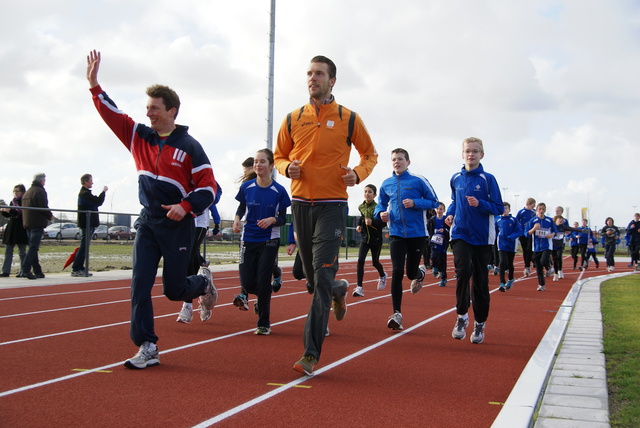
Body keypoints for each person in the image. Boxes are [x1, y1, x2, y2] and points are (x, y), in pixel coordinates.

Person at [86, 50, 218, 369]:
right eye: (147, 108)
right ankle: (147, 345)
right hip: (148, 223)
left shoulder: (189, 147)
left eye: (155, 109)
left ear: (171, 111)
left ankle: (203, 285)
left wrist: (186, 206)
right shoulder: (138, 137)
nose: (149, 114)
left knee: (174, 290)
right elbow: (114, 115)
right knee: (139, 284)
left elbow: (210, 188)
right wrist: (94, 85)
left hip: (178, 226)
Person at [274, 55, 378, 375]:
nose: (312, 78)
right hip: (301, 204)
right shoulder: (293, 118)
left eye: (319, 74)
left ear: (332, 81)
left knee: (319, 279)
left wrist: (358, 174)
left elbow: (370, 155)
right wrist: (284, 168)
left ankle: (311, 353)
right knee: (309, 277)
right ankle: (338, 290)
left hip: (333, 206)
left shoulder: (349, 118)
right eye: (309, 73)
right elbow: (279, 155)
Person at [445, 137, 503, 344]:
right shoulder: (456, 178)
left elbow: (498, 208)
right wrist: (449, 215)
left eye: (475, 151)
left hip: (482, 237)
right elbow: (454, 202)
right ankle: (461, 316)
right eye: (468, 151)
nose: (471, 154)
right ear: (462, 154)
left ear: (482, 155)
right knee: (462, 273)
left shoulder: (488, 179)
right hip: (460, 233)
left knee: (480, 281)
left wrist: (480, 204)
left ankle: (480, 323)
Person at [375, 148, 439, 331]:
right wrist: (381, 213)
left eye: (400, 159)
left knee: (410, 273)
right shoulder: (386, 183)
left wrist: (415, 203)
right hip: (395, 233)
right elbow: (380, 203)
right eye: (394, 159)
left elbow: (434, 202)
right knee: (396, 271)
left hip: (417, 233)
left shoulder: (418, 180)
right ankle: (397, 313)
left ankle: (419, 274)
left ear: (408, 162)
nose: (397, 162)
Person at [231, 149, 291, 335]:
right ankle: (261, 297)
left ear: (271, 165)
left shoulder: (279, 191)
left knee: (263, 281)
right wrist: (236, 219)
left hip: (269, 240)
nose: (258, 165)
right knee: (248, 283)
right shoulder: (247, 187)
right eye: (256, 161)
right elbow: (241, 207)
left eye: (262, 161)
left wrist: (272, 220)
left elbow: (283, 218)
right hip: (248, 238)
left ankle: (263, 322)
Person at [176, 182, 222, 324]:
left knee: (189, 257)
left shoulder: (203, 175)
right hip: (183, 221)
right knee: (188, 259)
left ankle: (187, 305)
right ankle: (204, 287)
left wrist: (217, 223)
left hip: (200, 222)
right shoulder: (179, 174)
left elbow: (216, 195)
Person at [353, 184, 388, 298]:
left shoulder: (378, 208)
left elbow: (383, 224)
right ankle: (359, 288)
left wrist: (372, 222)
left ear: (375, 195)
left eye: (369, 192)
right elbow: (362, 218)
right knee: (360, 261)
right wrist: (359, 226)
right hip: (364, 239)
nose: (367, 194)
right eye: (365, 191)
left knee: (375, 262)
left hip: (376, 239)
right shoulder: (361, 207)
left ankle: (382, 275)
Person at [71, 174, 107, 277]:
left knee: (85, 246)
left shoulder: (85, 193)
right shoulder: (84, 194)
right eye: (91, 180)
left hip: (89, 223)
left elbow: (95, 202)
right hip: (86, 223)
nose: (92, 182)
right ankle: (76, 268)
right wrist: (103, 192)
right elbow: (98, 201)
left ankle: (80, 267)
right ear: (85, 182)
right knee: (84, 246)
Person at [22, 173, 53, 280]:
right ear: (41, 181)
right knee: (33, 248)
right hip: (37, 222)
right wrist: (50, 215)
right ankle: (25, 269)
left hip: (28, 223)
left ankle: (37, 271)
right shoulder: (40, 191)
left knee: (32, 248)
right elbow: (43, 206)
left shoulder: (28, 192)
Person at [526, 202, 557, 291]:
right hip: (535, 247)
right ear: (536, 210)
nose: (541, 211)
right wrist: (534, 229)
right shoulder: (533, 221)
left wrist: (551, 235)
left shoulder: (549, 220)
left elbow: (554, 231)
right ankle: (541, 284)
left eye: (543, 209)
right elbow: (526, 233)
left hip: (546, 245)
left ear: (545, 210)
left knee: (543, 260)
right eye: (540, 209)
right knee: (538, 267)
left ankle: (549, 268)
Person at [1, 184, 29, 277]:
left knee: (22, 251)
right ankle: (5, 271)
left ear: (22, 192)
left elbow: (21, 213)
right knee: (8, 250)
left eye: (17, 191)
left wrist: (11, 211)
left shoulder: (24, 201)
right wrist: (4, 212)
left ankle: (23, 271)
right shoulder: (12, 202)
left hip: (21, 227)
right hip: (12, 227)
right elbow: (11, 214)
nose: (15, 193)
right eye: (14, 191)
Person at [495, 202, 522, 291]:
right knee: (502, 262)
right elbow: (495, 232)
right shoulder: (498, 220)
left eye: (506, 208)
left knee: (509, 263)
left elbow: (519, 231)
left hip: (511, 244)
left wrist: (512, 237)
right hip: (501, 244)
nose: (504, 210)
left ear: (509, 210)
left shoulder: (513, 220)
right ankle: (502, 282)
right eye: (503, 208)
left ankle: (510, 278)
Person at [427, 202, 450, 288]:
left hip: (443, 243)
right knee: (433, 256)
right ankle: (435, 268)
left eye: (441, 209)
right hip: (434, 242)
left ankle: (443, 278)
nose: (439, 211)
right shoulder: (432, 220)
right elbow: (429, 229)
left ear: (444, 210)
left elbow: (449, 229)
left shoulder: (446, 220)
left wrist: (444, 230)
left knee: (442, 261)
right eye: (437, 209)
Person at [516, 197, 536, 277]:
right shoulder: (521, 212)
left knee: (530, 250)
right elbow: (516, 222)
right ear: (528, 204)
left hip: (531, 233)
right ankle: (527, 266)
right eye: (533, 205)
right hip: (522, 234)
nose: (533, 207)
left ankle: (530, 263)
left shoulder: (534, 212)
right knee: (525, 251)